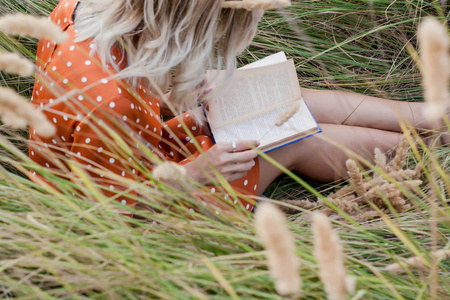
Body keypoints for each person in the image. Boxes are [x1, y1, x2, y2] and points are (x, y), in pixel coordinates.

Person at [28, 0, 443, 215]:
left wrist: (179, 88)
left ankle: (430, 118)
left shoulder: (81, 10)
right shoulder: (113, 104)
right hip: (143, 214)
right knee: (286, 141)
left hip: (137, 154)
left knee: (284, 98)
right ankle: (425, 154)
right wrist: (195, 173)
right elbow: (105, 213)